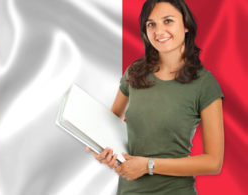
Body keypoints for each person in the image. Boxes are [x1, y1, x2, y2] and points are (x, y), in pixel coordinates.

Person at [86, 0, 224, 194]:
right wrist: (103, 150)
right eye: (151, 24)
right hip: (129, 190)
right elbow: (111, 122)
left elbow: (213, 161)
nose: (159, 32)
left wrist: (149, 165)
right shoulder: (134, 72)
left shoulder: (204, 83)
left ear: (186, 26)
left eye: (168, 21)